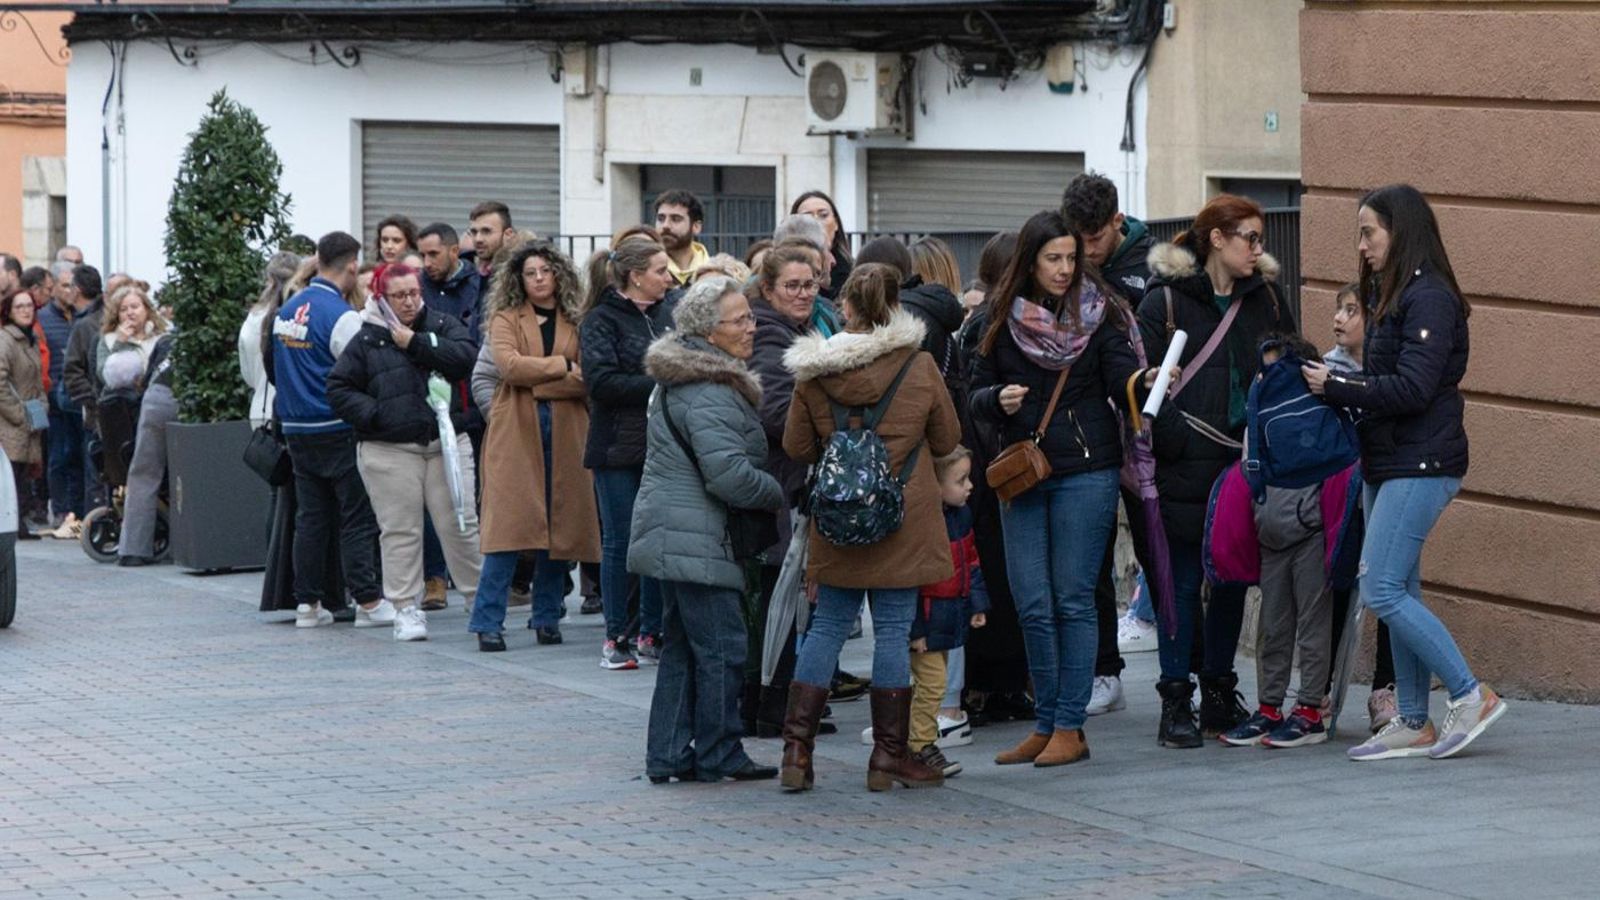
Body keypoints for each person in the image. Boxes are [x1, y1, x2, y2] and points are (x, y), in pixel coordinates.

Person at [1304, 184, 1506, 761]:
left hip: (1423, 461)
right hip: (1390, 460)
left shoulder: (1430, 299)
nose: (1362, 245)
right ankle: (1415, 720)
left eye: (1370, 232)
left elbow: (1415, 388)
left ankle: (1471, 695)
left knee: (1382, 586)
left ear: (1403, 232)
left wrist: (1338, 385)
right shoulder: (1397, 295)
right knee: (1401, 585)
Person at [970, 210, 1163, 768]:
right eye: (1052, 258)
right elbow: (972, 386)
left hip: (1085, 468)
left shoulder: (1098, 314)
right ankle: (1049, 719)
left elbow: (1120, 374)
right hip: (1023, 472)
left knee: (1073, 599)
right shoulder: (1000, 317)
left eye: (1070, 258)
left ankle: (1070, 725)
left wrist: (1143, 381)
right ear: (1030, 261)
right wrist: (994, 401)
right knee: (1032, 602)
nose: (1063, 269)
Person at [778, 263, 961, 793]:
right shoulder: (919, 365)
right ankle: (889, 758)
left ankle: (797, 751)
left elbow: (796, 448)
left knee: (828, 626)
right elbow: (947, 437)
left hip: (838, 519)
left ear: (847, 308)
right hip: (903, 519)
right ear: (895, 305)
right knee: (894, 632)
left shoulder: (814, 370)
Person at [1137, 193, 1296, 748]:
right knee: (1180, 584)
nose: (1258, 249)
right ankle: (1175, 700)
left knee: (1228, 578)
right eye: (1248, 237)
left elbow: (1289, 365)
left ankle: (1219, 693)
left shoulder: (1266, 299)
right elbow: (1140, 387)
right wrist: (1175, 438)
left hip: (1241, 460)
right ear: (1216, 239)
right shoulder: (1165, 303)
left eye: (1260, 238)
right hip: (1184, 460)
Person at [630, 276, 783, 783]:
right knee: (721, 647)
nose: (751, 327)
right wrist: (775, 491)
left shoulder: (687, 378)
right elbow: (729, 476)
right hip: (699, 537)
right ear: (708, 331)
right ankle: (719, 751)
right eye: (739, 320)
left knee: (683, 646)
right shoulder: (709, 390)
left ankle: (669, 753)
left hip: (677, 534)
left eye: (750, 316)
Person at [327, 262, 481, 642]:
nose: (410, 301)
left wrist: (414, 342)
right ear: (382, 298)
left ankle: (480, 599)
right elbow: (338, 389)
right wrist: (377, 414)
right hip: (389, 449)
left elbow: (465, 358)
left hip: (445, 441)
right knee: (400, 530)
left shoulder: (442, 325)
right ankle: (405, 608)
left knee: (461, 523)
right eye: (400, 295)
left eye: (414, 293)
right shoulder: (366, 339)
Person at [1062, 172, 1161, 718]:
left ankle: (1179, 672)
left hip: (1144, 440)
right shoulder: (1065, 268)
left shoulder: (1152, 271)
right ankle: (1104, 672)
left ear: (1118, 224)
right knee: (1092, 560)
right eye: (1077, 241)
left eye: (1094, 239)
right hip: (1092, 439)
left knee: (1156, 553)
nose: (1085, 252)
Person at [471, 241, 598, 650]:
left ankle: (547, 618)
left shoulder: (576, 320)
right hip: (517, 431)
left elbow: (587, 379)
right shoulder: (505, 319)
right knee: (508, 528)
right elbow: (508, 367)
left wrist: (536, 383)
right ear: (519, 280)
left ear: (559, 274)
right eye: (531, 273)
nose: (540, 278)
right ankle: (487, 622)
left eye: (546, 270)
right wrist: (561, 367)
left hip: (567, 429)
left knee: (559, 525)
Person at [1219, 333, 1342, 748]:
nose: (1266, 377)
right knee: (1272, 625)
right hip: (1270, 528)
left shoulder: (1318, 407)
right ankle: (1269, 706)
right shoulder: (1259, 408)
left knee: (1311, 622)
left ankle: (1310, 709)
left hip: (1308, 530)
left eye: (1276, 369)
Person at [270, 231, 383, 630]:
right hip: (336, 426)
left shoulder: (287, 310)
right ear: (352, 266)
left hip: (297, 427)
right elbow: (362, 373)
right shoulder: (341, 316)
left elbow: (274, 368)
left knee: (311, 518)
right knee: (355, 517)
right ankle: (368, 600)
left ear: (318, 259)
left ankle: (308, 604)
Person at [742, 244, 827, 736]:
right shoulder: (771, 339)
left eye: (810, 284)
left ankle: (774, 705)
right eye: (792, 285)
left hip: (786, 482)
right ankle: (771, 709)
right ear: (768, 289)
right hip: (778, 482)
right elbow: (777, 413)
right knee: (779, 601)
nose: (803, 293)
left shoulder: (799, 330)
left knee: (787, 599)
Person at [581, 236, 676, 669]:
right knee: (620, 543)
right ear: (636, 277)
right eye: (660, 270)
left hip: (661, 447)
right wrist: (662, 381)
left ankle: (651, 633)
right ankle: (615, 635)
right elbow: (600, 383)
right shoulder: (601, 319)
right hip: (617, 448)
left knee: (656, 543)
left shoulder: (667, 313)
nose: (669, 278)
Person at [1321, 282, 1398, 732]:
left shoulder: (1390, 373)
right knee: (1337, 584)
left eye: (1352, 311)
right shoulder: (1322, 373)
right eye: (1338, 310)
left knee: (1388, 589)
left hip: (1384, 486)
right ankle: (1323, 690)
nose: (1340, 318)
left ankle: (1384, 690)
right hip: (1339, 500)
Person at [896, 446, 990, 777]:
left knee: (932, 682)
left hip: (948, 612)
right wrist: (916, 630)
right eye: (960, 480)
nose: (969, 487)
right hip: (928, 617)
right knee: (933, 683)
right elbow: (912, 583)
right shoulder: (923, 524)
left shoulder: (960, 516)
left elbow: (971, 561)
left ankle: (914, 741)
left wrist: (976, 603)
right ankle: (919, 745)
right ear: (935, 486)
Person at [417, 221, 486, 608]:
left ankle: (474, 580)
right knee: (432, 501)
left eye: (433, 254)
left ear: (453, 251)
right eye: (422, 255)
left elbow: (471, 348)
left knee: (467, 498)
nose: (426, 263)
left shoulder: (478, 286)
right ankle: (435, 579)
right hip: (428, 403)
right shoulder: (419, 290)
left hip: (466, 403)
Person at [115, 332, 176, 567]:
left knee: (143, 474)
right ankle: (182, 544)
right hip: (180, 396)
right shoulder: (199, 342)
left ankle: (132, 549)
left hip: (155, 399)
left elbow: (147, 378)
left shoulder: (165, 341)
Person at [39, 261, 85, 530]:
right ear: (53, 287)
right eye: (65, 285)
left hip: (76, 400)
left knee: (78, 456)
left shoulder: (79, 317)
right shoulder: (43, 319)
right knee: (58, 456)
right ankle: (59, 509)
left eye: (73, 286)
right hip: (55, 401)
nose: (70, 291)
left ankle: (77, 511)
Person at [0, 291, 46, 539]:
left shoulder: (30, 339)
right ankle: (14, 524)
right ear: (9, 311)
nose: (26, 311)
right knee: (11, 475)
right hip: (11, 421)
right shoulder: (5, 340)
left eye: (29, 306)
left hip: (29, 418)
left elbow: (37, 379)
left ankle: (18, 523)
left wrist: (42, 405)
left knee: (21, 475)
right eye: (20, 307)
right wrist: (18, 415)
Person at [96, 284, 170, 393]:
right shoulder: (108, 340)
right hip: (123, 402)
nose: (130, 313)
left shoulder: (162, 338)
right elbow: (104, 376)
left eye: (135, 307)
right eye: (123, 309)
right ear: (117, 315)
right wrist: (120, 344)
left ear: (146, 309)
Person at [791, 190, 853, 298]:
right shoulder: (779, 270)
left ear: (836, 224)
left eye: (823, 215)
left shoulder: (855, 271)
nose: (816, 222)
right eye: (807, 217)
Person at [654, 190, 711, 287]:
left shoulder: (714, 273)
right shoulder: (644, 270)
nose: (666, 225)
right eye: (661, 219)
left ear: (696, 227)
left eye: (676, 219)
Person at [467, 202, 518, 278]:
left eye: (486, 231)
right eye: (474, 232)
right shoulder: (466, 271)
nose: (478, 239)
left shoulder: (521, 274)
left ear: (508, 234)